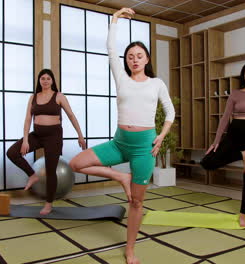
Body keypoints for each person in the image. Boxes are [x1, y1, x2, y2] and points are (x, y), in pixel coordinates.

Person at [69, 8, 175, 264]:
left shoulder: (157, 83)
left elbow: (170, 111)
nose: (134, 60)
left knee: (136, 203)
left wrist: (161, 137)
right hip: (119, 143)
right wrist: (115, 19)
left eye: (139, 56)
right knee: (76, 163)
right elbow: (109, 48)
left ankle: (130, 249)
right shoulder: (121, 77)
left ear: (147, 59)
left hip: (143, 149)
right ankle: (120, 176)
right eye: (130, 57)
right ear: (126, 61)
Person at [200, 61, 245, 227]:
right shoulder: (235, 94)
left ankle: (243, 215)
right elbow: (225, 117)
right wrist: (216, 141)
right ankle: (243, 154)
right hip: (235, 135)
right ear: (243, 76)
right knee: (207, 162)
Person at [7, 69, 86, 215]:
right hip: (37, 135)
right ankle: (33, 175)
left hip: (53, 137)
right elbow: (27, 120)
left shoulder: (59, 96)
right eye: (42, 78)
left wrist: (80, 136)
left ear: (52, 81)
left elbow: (71, 116)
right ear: (39, 81)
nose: (45, 81)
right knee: (12, 152)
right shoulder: (33, 97)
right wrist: (25, 140)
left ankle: (48, 204)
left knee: (51, 172)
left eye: (48, 78)